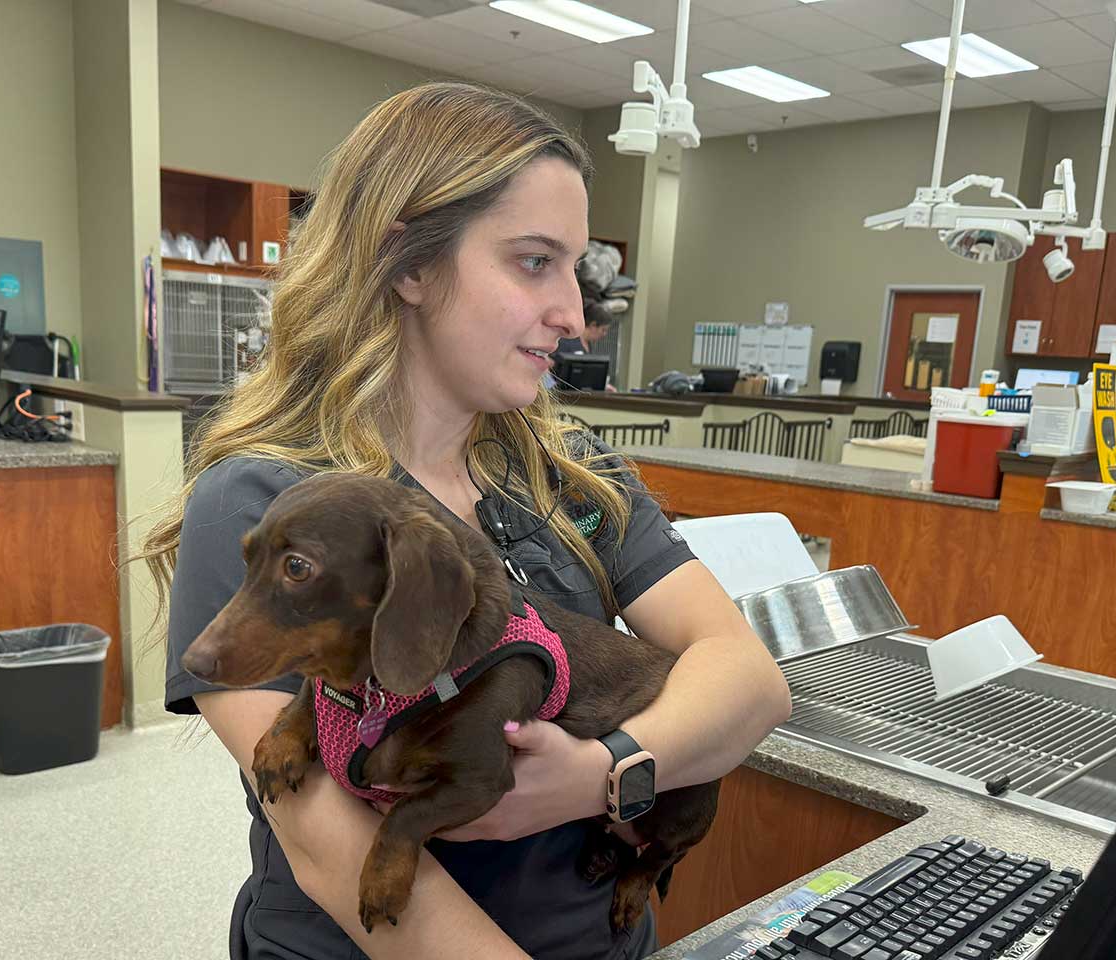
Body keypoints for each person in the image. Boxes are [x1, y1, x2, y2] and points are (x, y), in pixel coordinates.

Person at [140, 82, 792, 960]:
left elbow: (750, 681)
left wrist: (603, 774)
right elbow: (327, 847)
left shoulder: (577, 478)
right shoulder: (265, 503)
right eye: (533, 262)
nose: (573, 312)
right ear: (408, 263)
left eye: (575, 268)